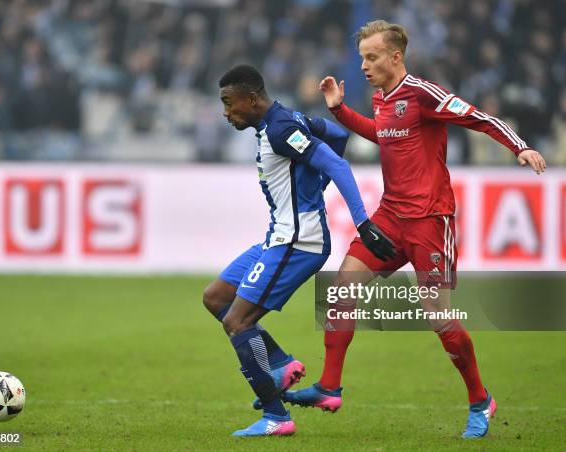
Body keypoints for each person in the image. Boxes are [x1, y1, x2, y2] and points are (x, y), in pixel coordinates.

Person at [283, 20, 546, 440]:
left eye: (371, 57)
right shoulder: (382, 100)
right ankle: (330, 387)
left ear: (395, 56)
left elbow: (478, 117)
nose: (364, 65)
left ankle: (481, 400)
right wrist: (339, 110)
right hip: (391, 217)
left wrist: (521, 146)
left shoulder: (423, 94)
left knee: (437, 316)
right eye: (362, 58)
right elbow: (381, 134)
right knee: (343, 285)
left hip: (429, 219)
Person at [202, 64, 395, 437]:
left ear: (252, 98)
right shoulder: (286, 120)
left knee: (236, 322)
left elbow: (337, 161)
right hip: (278, 236)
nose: (226, 112)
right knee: (216, 297)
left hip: (297, 242)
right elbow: (337, 135)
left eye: (229, 103)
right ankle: (280, 363)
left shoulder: (281, 129)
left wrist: (363, 223)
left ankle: (276, 416)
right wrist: (312, 185)